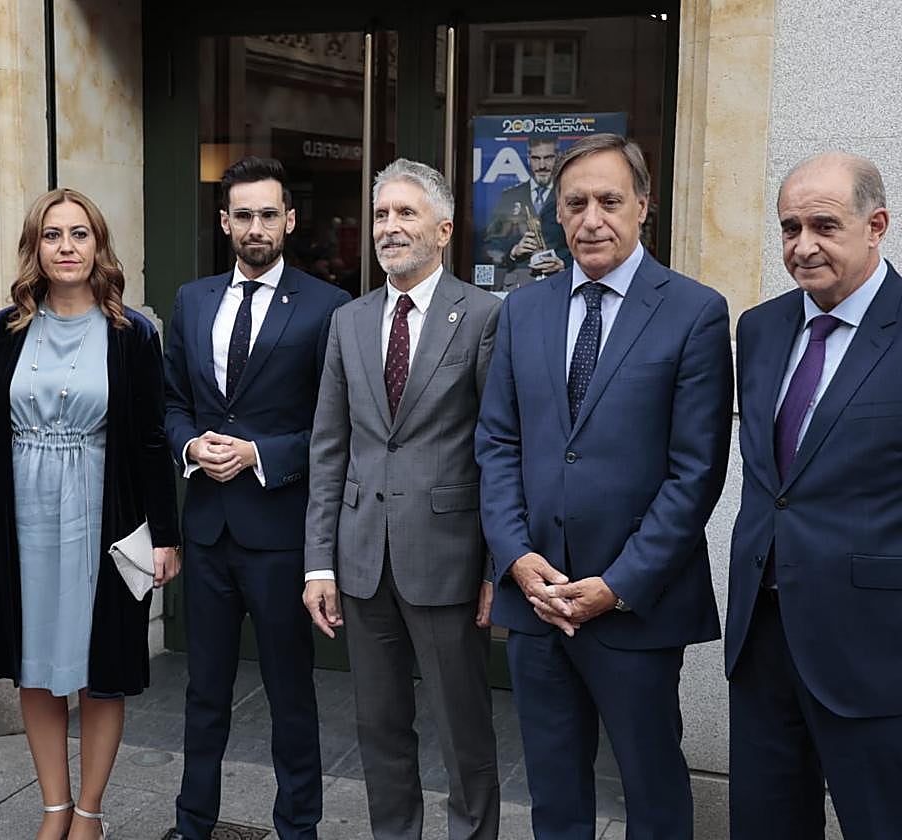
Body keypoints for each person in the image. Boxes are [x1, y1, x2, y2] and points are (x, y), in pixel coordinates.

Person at [475, 133, 732, 839]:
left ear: (644, 206)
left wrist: (617, 585)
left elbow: (696, 472)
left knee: (651, 791)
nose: (592, 218)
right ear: (556, 213)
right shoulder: (523, 311)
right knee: (554, 795)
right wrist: (516, 559)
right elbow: (497, 442)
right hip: (537, 600)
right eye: (576, 202)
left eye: (610, 201)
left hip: (635, 609)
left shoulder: (695, 312)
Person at [0, 188, 181, 840]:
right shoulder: (6, 329)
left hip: (102, 517)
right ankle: (54, 808)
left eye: (79, 234)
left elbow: (148, 442)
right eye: (53, 235)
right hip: (18, 518)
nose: (66, 246)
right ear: (36, 247)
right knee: (35, 663)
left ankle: (89, 813)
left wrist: (164, 536)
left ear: (98, 245)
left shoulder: (133, 333)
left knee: (101, 672)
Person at [305, 158, 501, 840]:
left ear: (443, 229)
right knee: (378, 726)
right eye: (382, 214)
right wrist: (319, 565)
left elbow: (499, 453)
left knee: (463, 731)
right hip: (361, 563)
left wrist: (494, 569)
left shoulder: (482, 317)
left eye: (405, 213)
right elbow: (329, 447)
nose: (389, 227)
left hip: (446, 560)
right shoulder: (349, 320)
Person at [163, 156, 349, 840]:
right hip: (208, 531)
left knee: (291, 696)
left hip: (279, 534)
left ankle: (298, 826)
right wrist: (190, 447)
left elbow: (337, 427)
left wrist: (259, 454)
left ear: (290, 221)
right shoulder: (192, 299)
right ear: (224, 222)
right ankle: (193, 825)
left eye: (269, 214)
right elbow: (173, 401)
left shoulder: (328, 306)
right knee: (203, 694)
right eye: (243, 215)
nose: (256, 227)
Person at [726, 152, 902, 839]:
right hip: (763, 637)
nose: (803, 246)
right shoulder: (762, 328)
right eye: (790, 227)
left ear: (876, 225)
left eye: (823, 226)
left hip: (876, 651)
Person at [481, 135, 570, 290]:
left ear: (558, 157)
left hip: (562, 284)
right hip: (519, 286)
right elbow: (491, 245)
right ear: (528, 159)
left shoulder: (570, 195)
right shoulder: (509, 196)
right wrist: (514, 251)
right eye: (536, 158)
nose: (542, 165)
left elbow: (584, 240)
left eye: (548, 158)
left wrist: (563, 263)